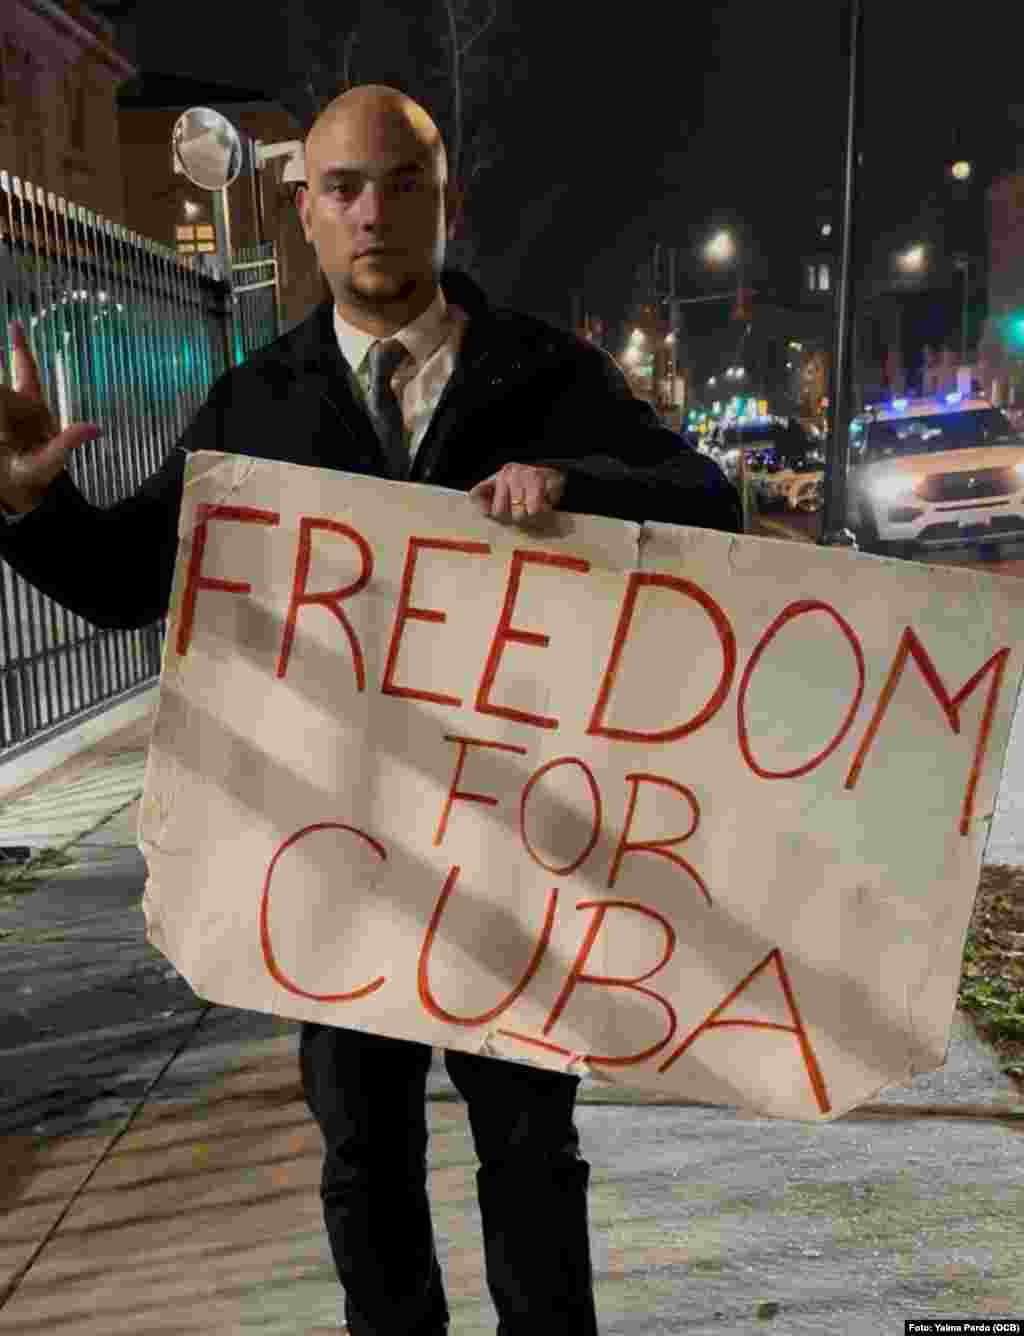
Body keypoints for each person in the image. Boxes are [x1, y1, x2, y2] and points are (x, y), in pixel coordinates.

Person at [0, 85, 740, 1335]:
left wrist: (577, 483)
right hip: (335, 857)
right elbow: (133, 578)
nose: (374, 213)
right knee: (364, 1162)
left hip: (516, 854)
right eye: (344, 187)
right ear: (301, 211)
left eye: (403, 183)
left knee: (531, 1157)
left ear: (444, 200)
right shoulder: (259, 402)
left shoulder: (542, 371)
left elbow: (705, 501)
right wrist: (26, 503)